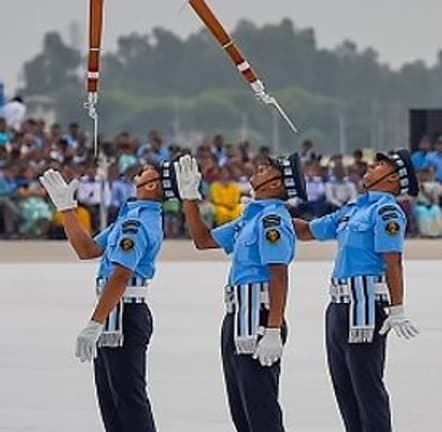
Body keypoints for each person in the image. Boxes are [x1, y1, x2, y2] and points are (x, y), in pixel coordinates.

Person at [294, 149, 421, 432]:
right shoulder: (354, 208)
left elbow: (393, 261)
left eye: (379, 165)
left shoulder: (386, 212)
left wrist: (397, 308)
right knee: (344, 388)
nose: (370, 166)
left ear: (393, 178)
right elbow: (308, 230)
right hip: (339, 306)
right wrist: (273, 213)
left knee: (367, 388)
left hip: (365, 307)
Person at [39, 160, 167, 432]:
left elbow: (120, 276)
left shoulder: (136, 223)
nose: (141, 169)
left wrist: (95, 322)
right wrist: (67, 209)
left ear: (152, 185)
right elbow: (87, 250)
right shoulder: (130, 216)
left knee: (128, 401)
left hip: (123, 314)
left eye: (147, 170)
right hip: (114, 313)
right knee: (112, 402)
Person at [181, 153, 301, 432]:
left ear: (276, 183)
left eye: (265, 169)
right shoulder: (250, 217)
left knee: (261, 411)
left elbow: (279, 274)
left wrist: (273, 329)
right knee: (241, 410)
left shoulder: (272, 220)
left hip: (260, 318)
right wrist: (189, 198)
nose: (258, 169)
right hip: (236, 316)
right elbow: (203, 240)